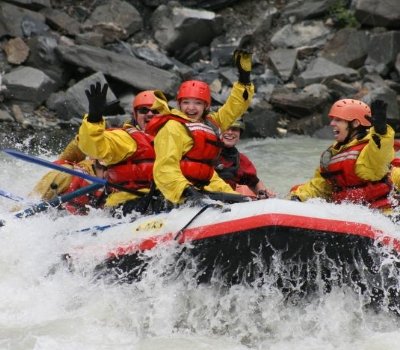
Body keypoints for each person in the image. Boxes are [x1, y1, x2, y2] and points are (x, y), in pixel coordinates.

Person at [145, 46, 255, 207]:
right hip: (176, 193)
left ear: (206, 106)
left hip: (206, 186)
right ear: (179, 104)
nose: (191, 108)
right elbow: (165, 169)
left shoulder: (211, 123)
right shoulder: (172, 127)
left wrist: (244, 78)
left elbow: (235, 107)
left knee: (244, 202)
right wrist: (187, 192)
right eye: (186, 103)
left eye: (197, 103)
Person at [289, 98, 394, 211]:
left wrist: (381, 132)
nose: (332, 123)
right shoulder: (331, 154)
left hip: (379, 212)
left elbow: (378, 157)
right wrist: (298, 197)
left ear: (355, 123)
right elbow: (320, 185)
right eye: (333, 119)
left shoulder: (370, 149)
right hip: (345, 213)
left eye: (338, 120)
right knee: (296, 189)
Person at [78, 84, 156, 216]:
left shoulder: (176, 137)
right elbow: (94, 147)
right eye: (143, 110)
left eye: (155, 110)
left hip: (161, 199)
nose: (150, 114)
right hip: (129, 203)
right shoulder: (125, 138)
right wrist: (94, 118)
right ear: (136, 115)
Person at [215, 119, 275, 199]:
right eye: (226, 128)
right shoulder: (203, 151)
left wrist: (264, 194)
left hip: (226, 202)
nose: (230, 132)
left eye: (234, 129)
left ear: (240, 134)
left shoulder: (241, 160)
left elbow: (254, 182)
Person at [29, 158, 107, 215]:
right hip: (55, 211)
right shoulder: (67, 174)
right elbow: (34, 201)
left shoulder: (114, 185)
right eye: (106, 169)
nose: (107, 175)